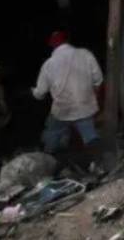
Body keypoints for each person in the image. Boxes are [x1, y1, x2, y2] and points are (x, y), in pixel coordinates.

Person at [32, 30, 104, 161]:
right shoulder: (85, 54)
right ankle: (99, 163)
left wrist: (33, 92)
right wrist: (91, 96)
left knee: (51, 134)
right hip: (84, 107)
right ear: (67, 41)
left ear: (52, 46)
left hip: (62, 110)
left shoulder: (49, 64)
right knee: (90, 137)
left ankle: (49, 159)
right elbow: (98, 80)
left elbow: (40, 93)